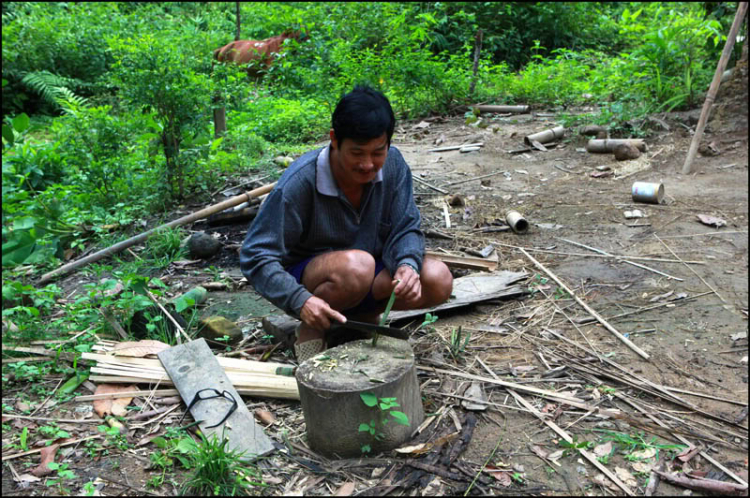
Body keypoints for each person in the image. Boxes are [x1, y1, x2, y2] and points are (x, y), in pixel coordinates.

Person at [240, 85, 453, 361]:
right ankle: (312, 330)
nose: (367, 164)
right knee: (357, 267)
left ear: (388, 143)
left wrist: (406, 265)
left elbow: (406, 226)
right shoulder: (299, 183)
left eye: (378, 152)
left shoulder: (394, 166)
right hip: (314, 281)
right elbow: (255, 255)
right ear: (334, 140)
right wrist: (300, 300)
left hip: (367, 276)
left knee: (437, 279)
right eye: (357, 153)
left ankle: (359, 321)